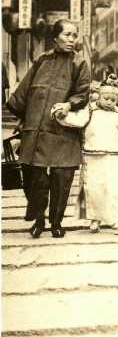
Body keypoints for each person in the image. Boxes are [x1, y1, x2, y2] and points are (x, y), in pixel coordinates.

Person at [6, 19, 90, 238]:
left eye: (75, 35)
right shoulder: (41, 61)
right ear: (55, 37)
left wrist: (68, 104)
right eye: (68, 35)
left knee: (62, 178)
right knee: (36, 178)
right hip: (36, 129)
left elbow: (83, 92)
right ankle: (40, 219)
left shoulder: (79, 63)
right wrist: (23, 118)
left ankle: (56, 222)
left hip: (63, 131)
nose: (72, 39)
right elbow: (22, 94)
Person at [53, 84, 118, 234]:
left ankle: (117, 221)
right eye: (106, 98)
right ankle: (94, 219)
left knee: (113, 190)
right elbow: (77, 120)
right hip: (92, 156)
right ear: (99, 97)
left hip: (113, 157)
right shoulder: (90, 111)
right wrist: (61, 115)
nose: (109, 102)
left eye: (113, 99)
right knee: (93, 189)